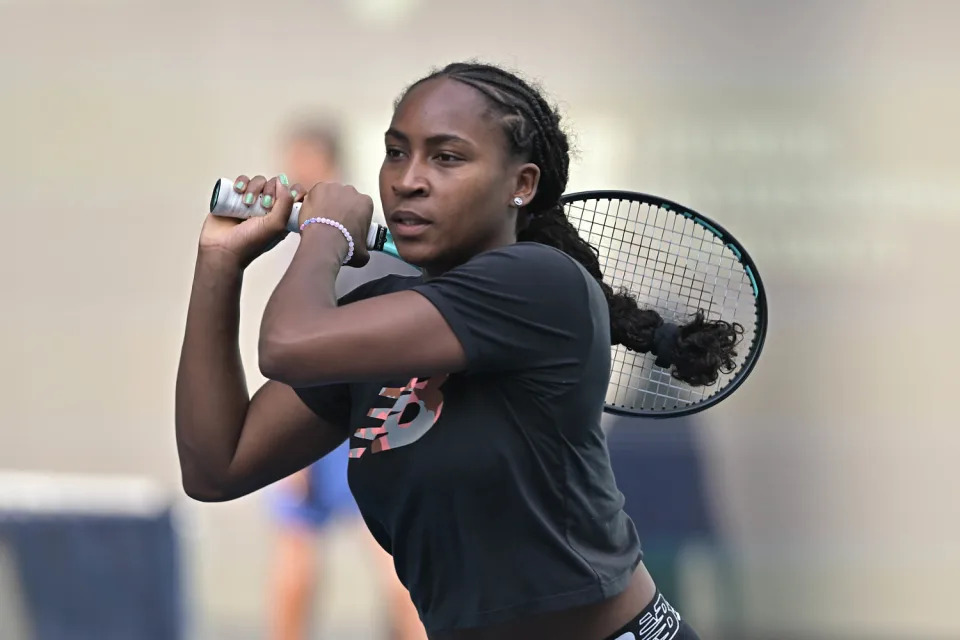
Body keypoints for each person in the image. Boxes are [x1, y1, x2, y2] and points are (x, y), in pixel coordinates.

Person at [176, 62, 741, 640]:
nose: (408, 180)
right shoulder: (380, 314)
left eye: (446, 157)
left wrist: (326, 233)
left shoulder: (540, 283)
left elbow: (287, 345)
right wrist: (220, 261)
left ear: (521, 184)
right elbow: (215, 467)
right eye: (396, 153)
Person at [263, 117, 425, 640]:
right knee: (294, 566)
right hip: (317, 426)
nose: (291, 177)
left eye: (303, 166)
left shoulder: (354, 250)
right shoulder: (310, 240)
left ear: (329, 167)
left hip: (361, 426)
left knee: (396, 572)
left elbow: (309, 349)